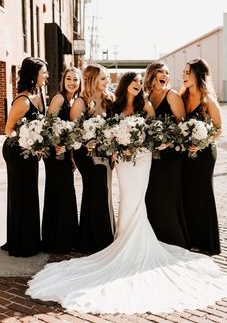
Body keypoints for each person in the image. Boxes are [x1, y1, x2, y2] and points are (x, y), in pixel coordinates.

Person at [26, 72, 227, 315]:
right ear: (126, 84)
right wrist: (113, 146)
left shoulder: (148, 105)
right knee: (126, 199)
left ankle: (137, 243)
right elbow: (107, 131)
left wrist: (159, 142)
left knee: (137, 200)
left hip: (142, 159)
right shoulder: (115, 104)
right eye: (134, 82)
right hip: (121, 160)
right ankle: (123, 241)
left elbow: (157, 132)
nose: (138, 86)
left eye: (141, 83)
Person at [1, 57, 48, 257]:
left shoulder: (37, 95)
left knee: (27, 195)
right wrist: (30, 144)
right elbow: (8, 129)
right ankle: (21, 244)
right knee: (22, 195)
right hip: (17, 152)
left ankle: (23, 238)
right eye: (43, 72)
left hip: (28, 152)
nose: (46, 75)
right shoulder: (22, 101)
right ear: (33, 75)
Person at [69, 63, 115, 254]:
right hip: (85, 154)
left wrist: (111, 149)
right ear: (92, 80)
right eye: (103, 78)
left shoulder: (109, 100)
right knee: (95, 190)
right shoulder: (81, 102)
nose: (107, 82)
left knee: (104, 191)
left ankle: (99, 237)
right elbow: (71, 132)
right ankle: (94, 241)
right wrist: (83, 144)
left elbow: (114, 127)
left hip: (105, 151)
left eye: (107, 78)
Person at [143, 61, 190, 249]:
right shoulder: (145, 96)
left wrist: (169, 141)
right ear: (152, 75)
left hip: (171, 155)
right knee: (152, 193)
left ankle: (173, 239)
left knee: (167, 194)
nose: (165, 76)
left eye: (168, 73)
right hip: (151, 155)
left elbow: (184, 125)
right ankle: (155, 236)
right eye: (161, 72)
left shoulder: (172, 95)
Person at [180, 58, 221, 255]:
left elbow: (218, 129)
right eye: (184, 71)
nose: (184, 75)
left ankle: (206, 241)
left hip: (204, 154)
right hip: (185, 155)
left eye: (188, 72)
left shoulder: (208, 100)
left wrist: (201, 143)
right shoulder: (182, 96)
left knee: (202, 194)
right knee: (187, 193)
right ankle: (190, 238)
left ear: (198, 74)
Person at [41, 67, 82, 254]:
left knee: (66, 193)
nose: (72, 82)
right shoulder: (59, 98)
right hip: (55, 152)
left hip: (65, 153)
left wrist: (71, 154)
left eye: (75, 79)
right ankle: (55, 241)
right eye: (69, 79)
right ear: (63, 81)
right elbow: (48, 125)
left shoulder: (74, 101)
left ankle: (66, 237)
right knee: (59, 193)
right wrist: (56, 145)